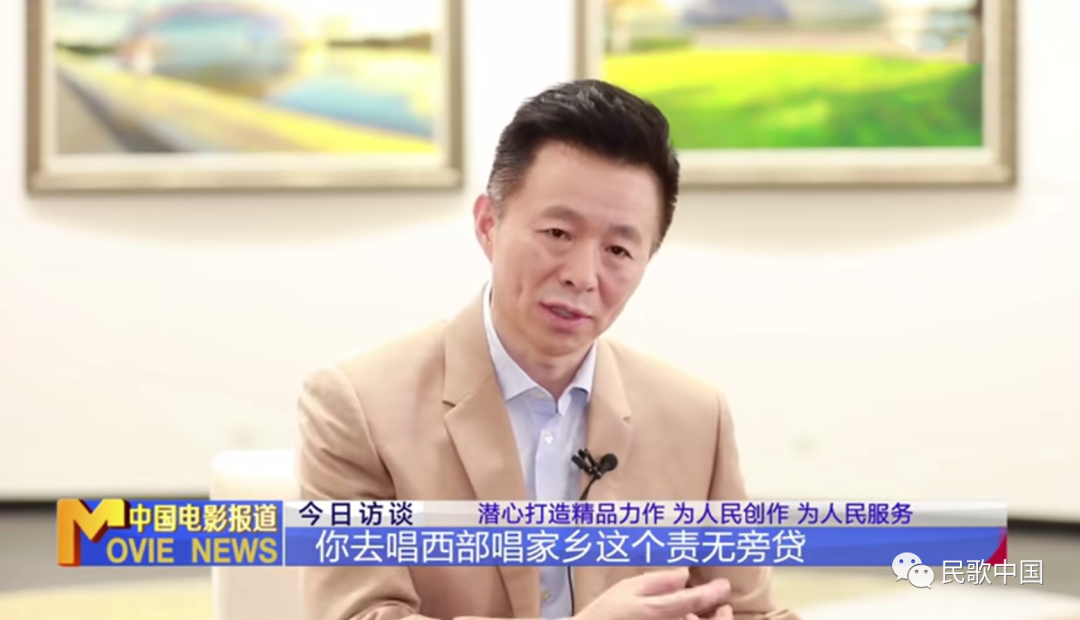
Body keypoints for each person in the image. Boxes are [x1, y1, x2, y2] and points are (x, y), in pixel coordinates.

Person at [296, 79, 800, 620]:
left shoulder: (697, 417)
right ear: (488, 224)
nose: (583, 276)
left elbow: (751, 610)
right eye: (558, 233)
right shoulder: (357, 405)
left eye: (618, 250)